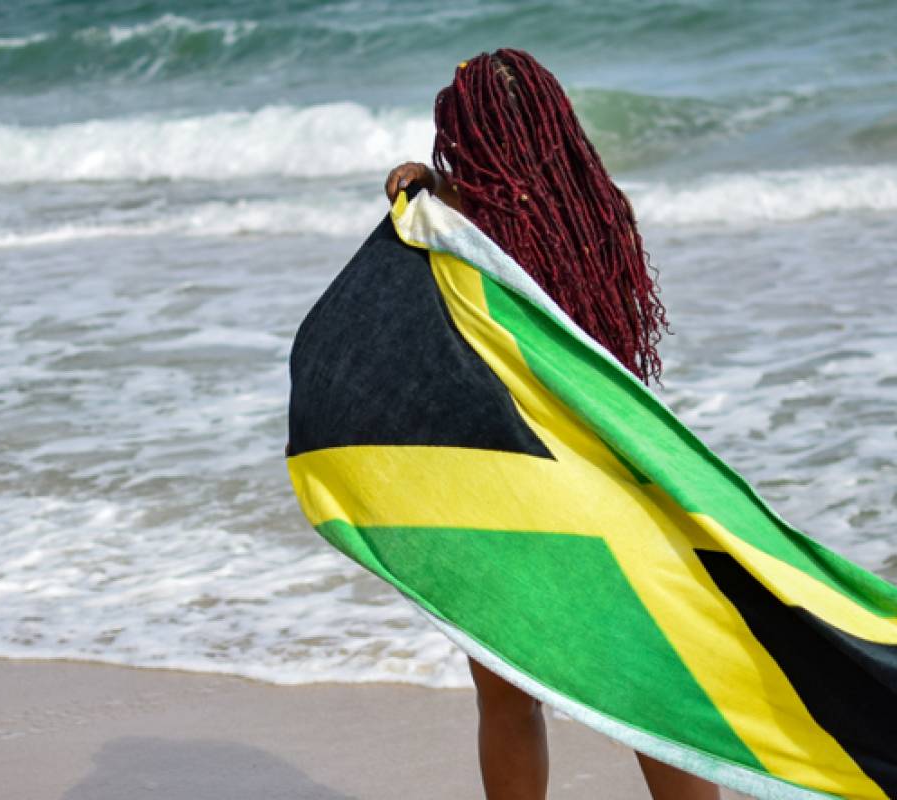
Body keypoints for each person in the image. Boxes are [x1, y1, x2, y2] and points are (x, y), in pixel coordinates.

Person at [382, 49, 718, 800]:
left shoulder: (449, 227)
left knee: (507, 695)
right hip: (603, 472)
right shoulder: (602, 214)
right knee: (652, 686)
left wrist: (423, 189)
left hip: (498, 481)